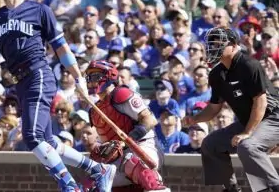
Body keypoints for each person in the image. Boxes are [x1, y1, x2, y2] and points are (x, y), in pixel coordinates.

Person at [0, 0, 115, 191]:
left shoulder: (39, 10)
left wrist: (78, 76)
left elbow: (61, 48)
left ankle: (69, 186)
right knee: (49, 141)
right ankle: (97, 169)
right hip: (20, 83)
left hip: (39, 74)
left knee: (32, 135)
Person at [183, 27, 279, 192]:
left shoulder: (249, 65)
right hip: (249, 121)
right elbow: (214, 108)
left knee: (248, 146)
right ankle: (231, 189)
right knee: (210, 144)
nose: (213, 47)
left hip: (273, 118)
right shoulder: (216, 74)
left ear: (234, 46)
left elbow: (261, 102)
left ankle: (272, 187)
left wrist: (247, 132)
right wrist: (195, 119)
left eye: (219, 44)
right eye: (212, 44)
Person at [82, 60, 169, 192]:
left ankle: (157, 189)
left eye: (95, 76)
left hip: (143, 146)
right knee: (94, 182)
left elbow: (150, 120)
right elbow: (108, 142)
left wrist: (125, 141)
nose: (91, 81)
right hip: (119, 155)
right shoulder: (94, 111)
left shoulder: (121, 94)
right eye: (89, 77)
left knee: (132, 161)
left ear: (109, 76)